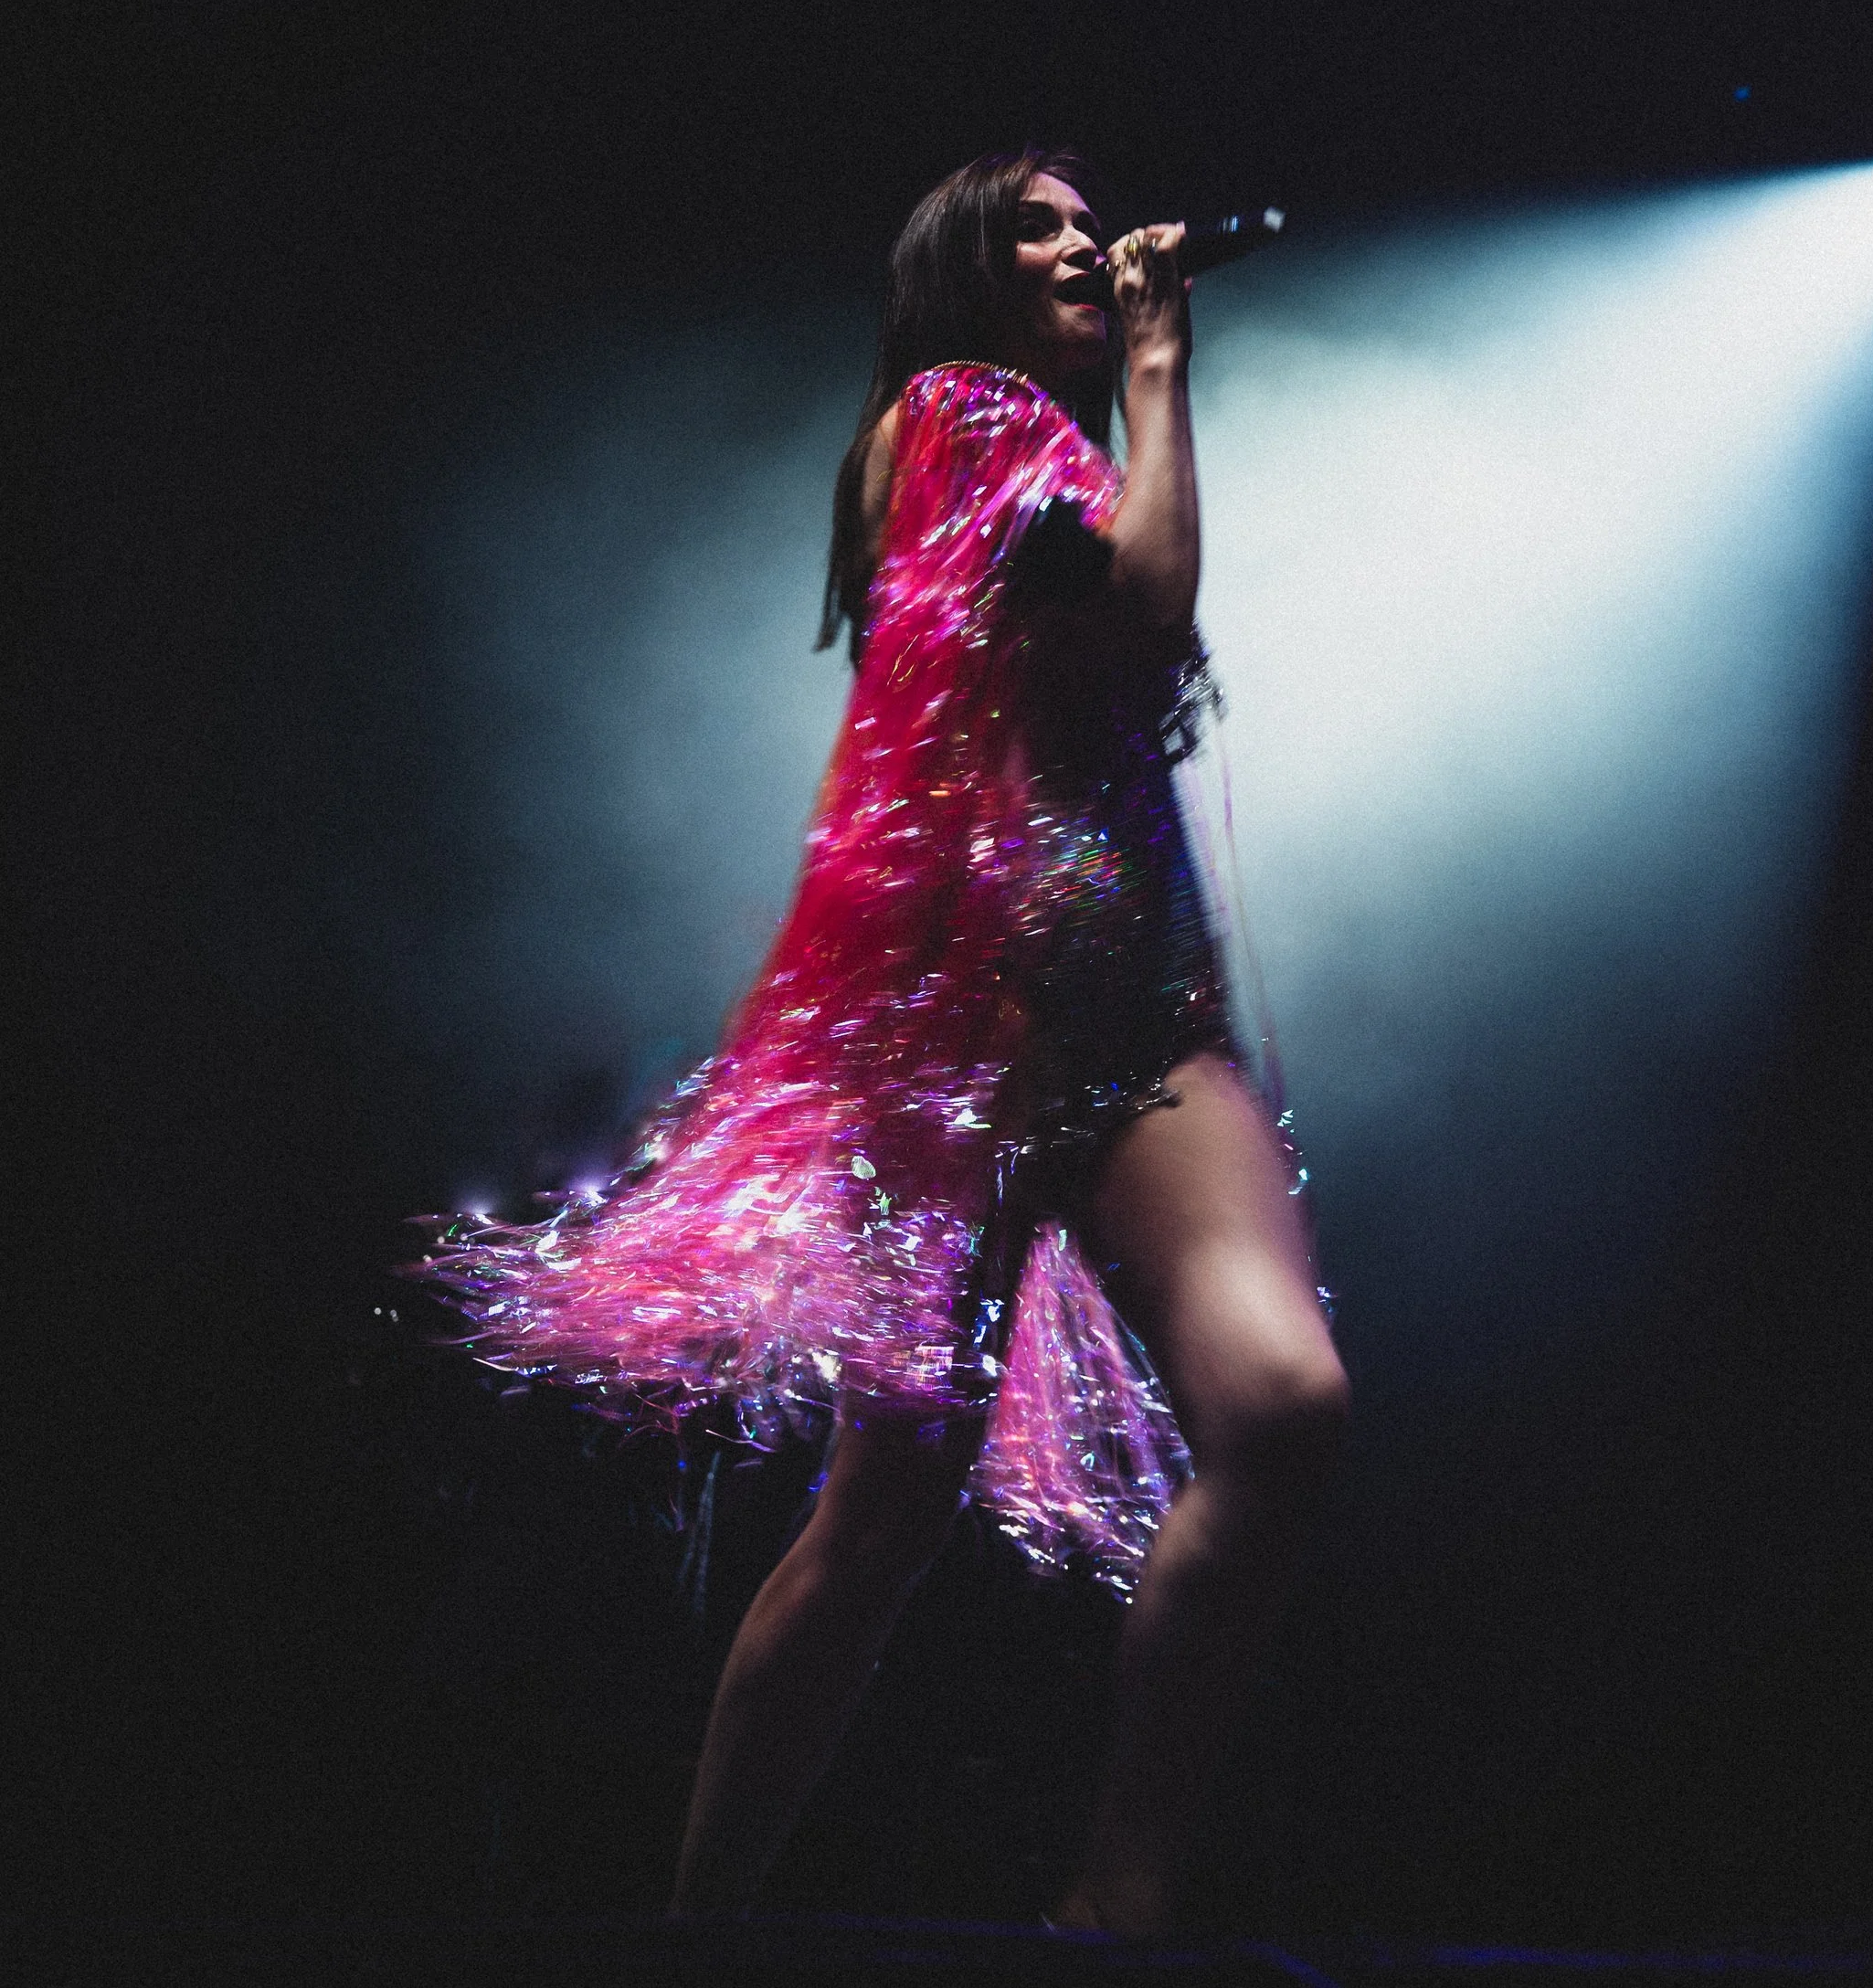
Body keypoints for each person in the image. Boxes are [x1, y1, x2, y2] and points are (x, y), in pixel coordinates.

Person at [419, 152, 1348, 1935]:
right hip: (964, 1050)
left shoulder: (1057, 451)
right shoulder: (956, 417)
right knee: (877, 1527)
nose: (1086, 244)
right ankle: (696, 1927)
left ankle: (1117, 1896)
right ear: (960, 272)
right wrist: (1156, 364)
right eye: (1040, 227)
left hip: (1150, 1019)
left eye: (1096, 224)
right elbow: (1147, 599)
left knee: (1282, 1407)